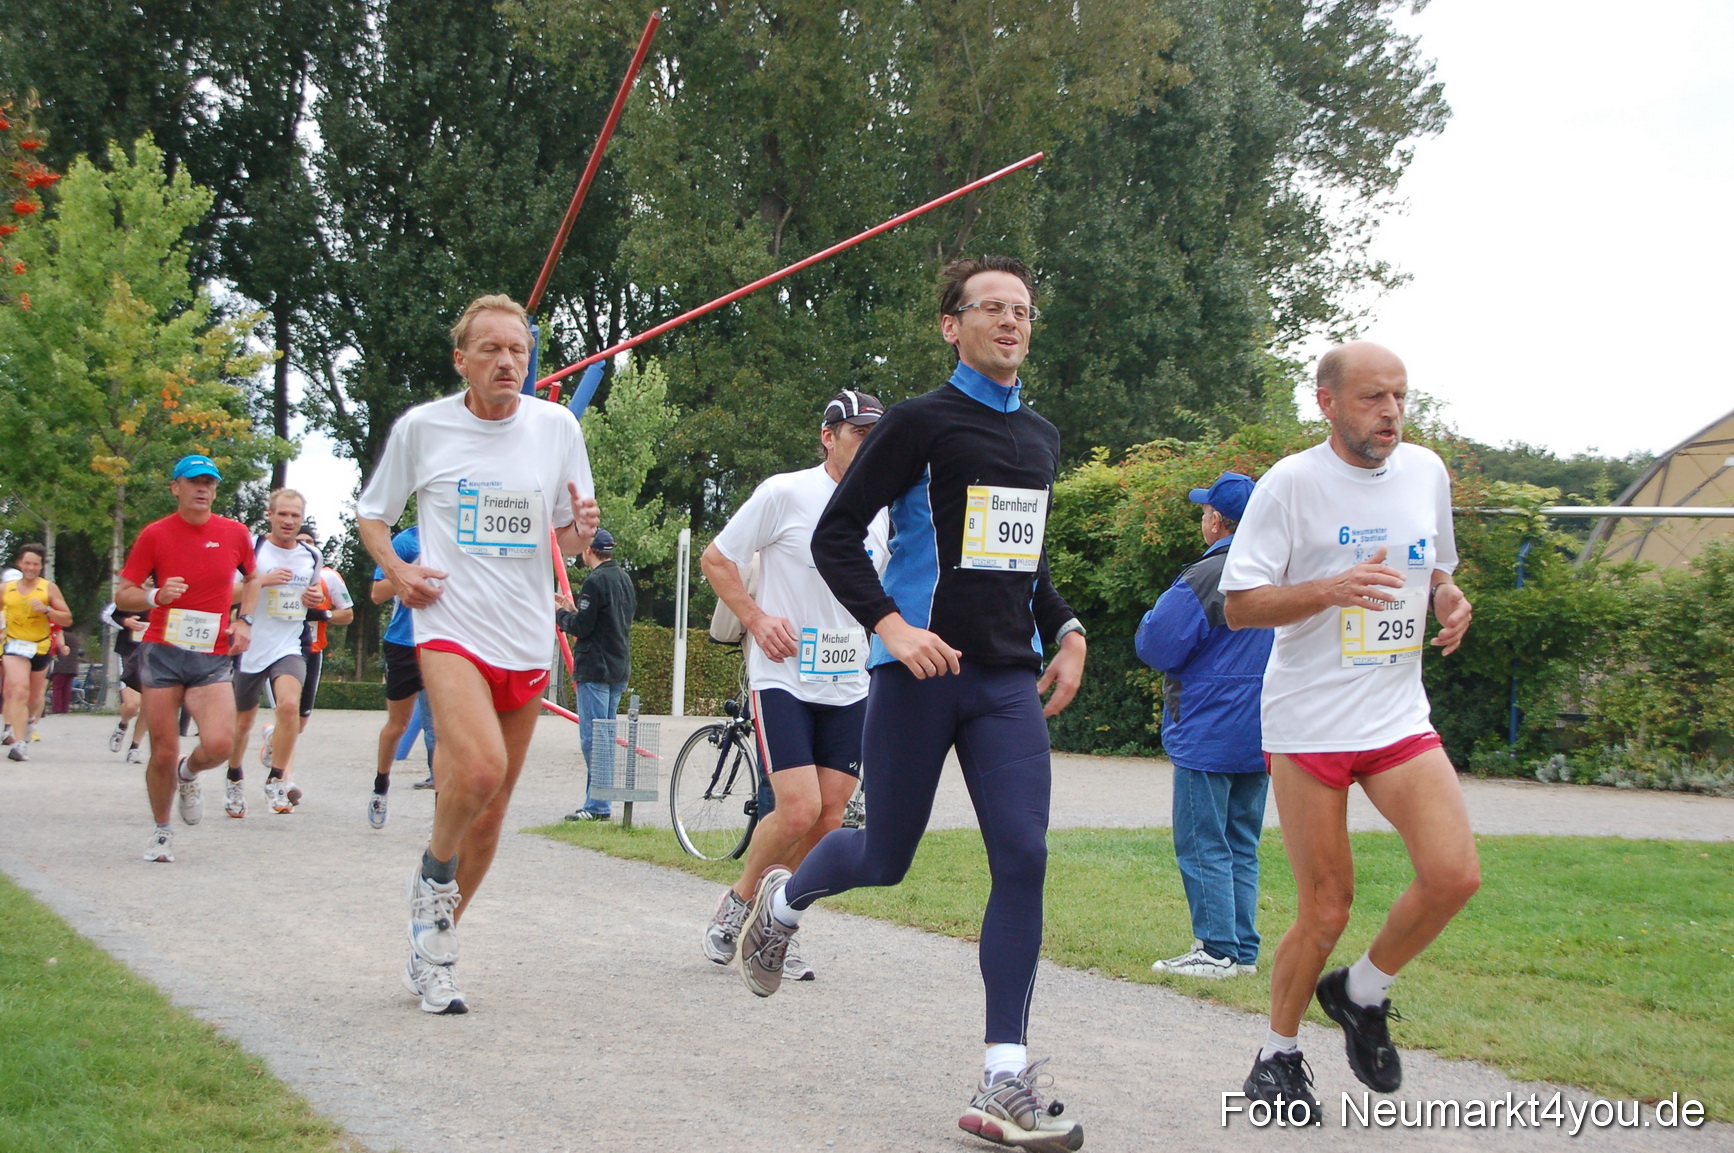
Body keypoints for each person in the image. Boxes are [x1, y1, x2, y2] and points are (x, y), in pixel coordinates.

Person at [733, 257, 1089, 1152]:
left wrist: (1069, 628)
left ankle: (1003, 1073)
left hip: (1006, 680)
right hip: (917, 675)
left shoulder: (1041, 436)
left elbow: (1026, 560)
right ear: (951, 324)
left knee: (1024, 855)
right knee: (885, 855)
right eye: (992, 308)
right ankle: (780, 906)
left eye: (1024, 310)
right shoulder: (922, 423)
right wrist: (891, 627)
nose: (1012, 321)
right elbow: (835, 536)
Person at [1220, 341, 1478, 1122]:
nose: (1391, 412)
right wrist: (1328, 588)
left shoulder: (1427, 473)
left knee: (1454, 874)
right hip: (1310, 722)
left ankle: (1362, 991)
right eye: (1372, 397)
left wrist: (1447, 597)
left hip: (1396, 715)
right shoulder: (1291, 484)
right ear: (1327, 402)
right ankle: (1277, 1054)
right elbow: (1238, 604)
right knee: (1326, 907)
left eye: (1400, 396)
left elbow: (1431, 566)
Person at [356, 293, 598, 1015]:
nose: (507, 361)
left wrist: (583, 529)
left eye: (518, 350)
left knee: (492, 815)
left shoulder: (555, 427)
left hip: (524, 636)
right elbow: (373, 514)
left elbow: (571, 540)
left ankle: (434, 945)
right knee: (481, 768)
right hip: (449, 626)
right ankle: (433, 870)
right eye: (490, 349)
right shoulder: (424, 428)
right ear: (461, 358)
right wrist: (398, 574)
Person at [697, 391, 889, 982]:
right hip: (782, 674)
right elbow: (716, 558)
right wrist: (756, 619)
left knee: (831, 821)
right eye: (857, 432)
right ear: (828, 436)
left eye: (875, 434)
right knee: (798, 807)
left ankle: (778, 925)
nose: (867, 443)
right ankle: (739, 904)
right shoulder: (785, 492)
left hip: (848, 678)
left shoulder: (887, 510)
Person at [1135, 472, 1273, 979]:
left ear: (1217, 520)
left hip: (1209, 723)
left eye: (1204, 511)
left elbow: (1158, 642)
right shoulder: (1279, 568)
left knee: (1202, 840)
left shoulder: (1209, 573)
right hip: (1262, 725)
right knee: (1242, 840)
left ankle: (1214, 948)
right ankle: (1242, 949)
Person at [115, 454, 261, 863]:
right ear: (175, 488)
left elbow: (253, 578)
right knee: (162, 749)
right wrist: (154, 597)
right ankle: (162, 831)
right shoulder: (155, 535)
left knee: (219, 743)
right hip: (163, 651)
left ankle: (189, 772)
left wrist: (245, 620)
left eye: (210, 483)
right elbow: (123, 592)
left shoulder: (234, 533)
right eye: (194, 482)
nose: (203, 489)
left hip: (211, 654)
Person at [555, 527, 636, 822]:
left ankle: (599, 805)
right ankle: (596, 801)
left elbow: (583, 628)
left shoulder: (595, 581)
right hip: (618, 666)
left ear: (589, 550)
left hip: (595, 669)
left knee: (594, 739)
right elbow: (603, 621)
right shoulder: (624, 579)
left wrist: (560, 615)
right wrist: (573, 610)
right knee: (606, 735)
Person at [369, 524, 435, 828]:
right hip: (405, 643)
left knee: (444, 731)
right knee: (398, 725)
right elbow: (377, 593)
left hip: (446, 642)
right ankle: (381, 784)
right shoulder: (407, 541)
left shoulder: (467, 534)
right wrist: (409, 571)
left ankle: (444, 807)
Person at [3, 544, 74, 759]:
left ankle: (27, 728)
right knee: (19, 690)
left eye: (35, 564)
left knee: (34, 699)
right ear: (20, 563)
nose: (30, 567)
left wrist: (47, 610)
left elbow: (67, 618)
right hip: (14, 646)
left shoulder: (48, 588)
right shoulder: (6, 588)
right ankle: (18, 742)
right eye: (27, 563)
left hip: (40, 647)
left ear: (41, 566)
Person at [103, 600, 150, 761]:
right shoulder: (131, 595)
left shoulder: (168, 595)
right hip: (129, 653)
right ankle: (123, 725)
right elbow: (107, 615)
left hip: (155, 655)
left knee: (147, 706)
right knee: (132, 705)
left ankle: (134, 747)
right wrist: (125, 621)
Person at [50, 632, 81, 713]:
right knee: (67, 688)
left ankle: (57, 708)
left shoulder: (61, 636)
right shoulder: (74, 637)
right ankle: (65, 708)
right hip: (72, 666)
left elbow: (55, 647)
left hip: (61, 665)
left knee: (57, 688)